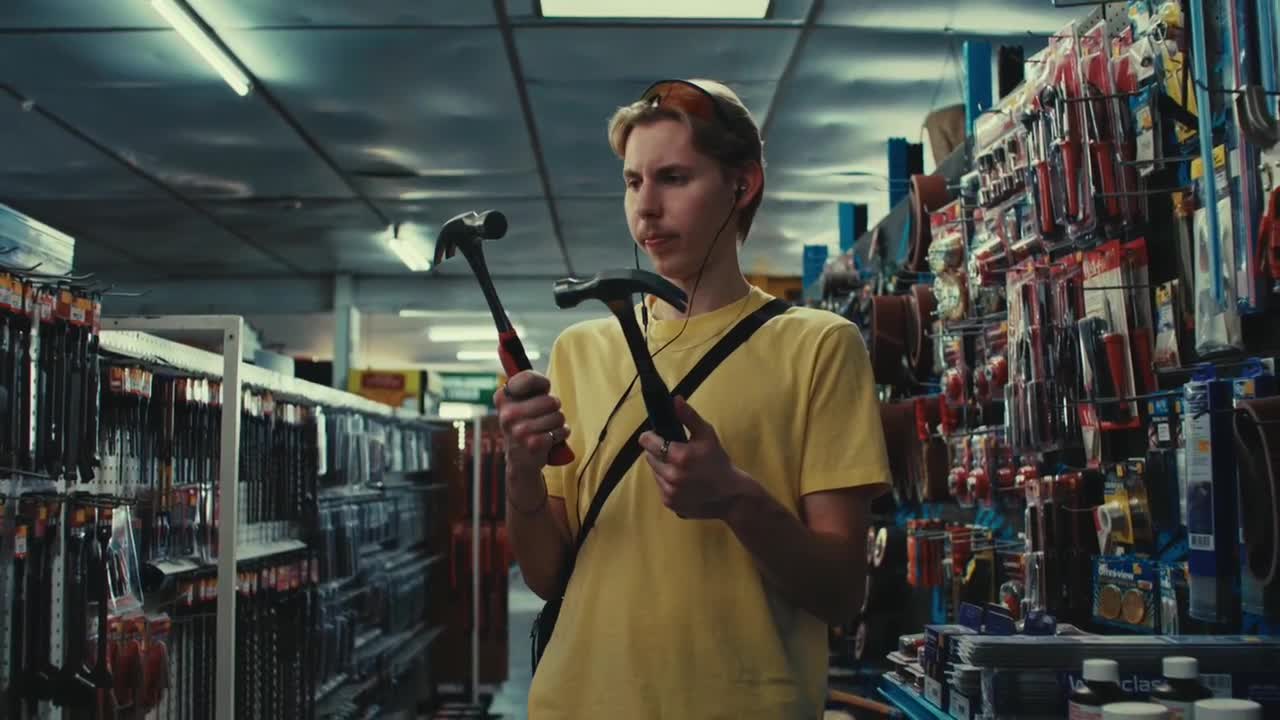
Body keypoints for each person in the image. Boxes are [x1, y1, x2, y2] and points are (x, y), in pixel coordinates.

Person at [494, 78, 892, 719]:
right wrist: (518, 473)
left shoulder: (820, 346)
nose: (645, 208)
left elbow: (841, 592)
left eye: (673, 178)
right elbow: (548, 575)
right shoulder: (579, 351)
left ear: (743, 185)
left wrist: (735, 497)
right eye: (632, 182)